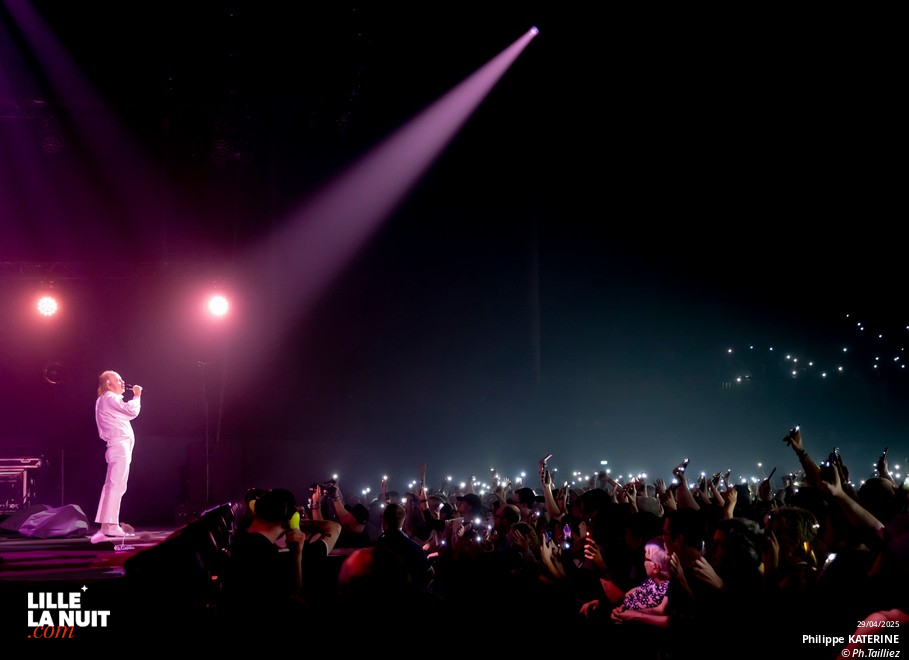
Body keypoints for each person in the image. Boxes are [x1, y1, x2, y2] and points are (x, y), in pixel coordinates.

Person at [91, 370, 142, 543]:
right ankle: (112, 525)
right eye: (118, 380)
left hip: (118, 445)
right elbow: (130, 411)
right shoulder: (110, 398)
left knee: (111, 485)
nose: (122, 383)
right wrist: (136, 397)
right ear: (108, 383)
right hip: (119, 445)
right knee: (117, 485)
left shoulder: (106, 400)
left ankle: (106, 525)